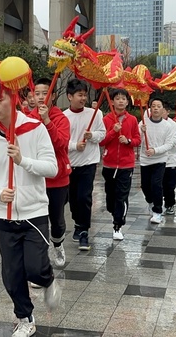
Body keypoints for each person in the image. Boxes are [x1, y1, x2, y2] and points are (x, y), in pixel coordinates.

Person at [0, 76, 61, 337]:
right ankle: (25, 317)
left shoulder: (34, 128)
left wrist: (23, 160)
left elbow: (52, 168)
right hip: (4, 215)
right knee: (11, 274)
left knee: (34, 267)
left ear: (14, 99)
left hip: (34, 212)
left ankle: (47, 280)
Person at [27, 77, 71, 267]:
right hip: (35, 178)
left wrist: (47, 121)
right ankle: (40, 258)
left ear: (53, 96)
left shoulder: (61, 118)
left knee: (57, 220)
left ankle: (58, 244)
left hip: (57, 178)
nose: (40, 97)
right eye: (37, 94)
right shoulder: (28, 118)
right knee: (38, 220)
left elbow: (61, 144)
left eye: (45, 93)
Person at [63, 79, 106, 251]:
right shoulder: (63, 117)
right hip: (70, 163)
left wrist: (92, 136)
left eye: (84, 95)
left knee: (84, 197)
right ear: (69, 96)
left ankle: (84, 232)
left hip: (89, 162)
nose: (83, 98)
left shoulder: (95, 114)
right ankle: (78, 223)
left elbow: (102, 134)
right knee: (73, 199)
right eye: (79, 95)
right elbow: (59, 141)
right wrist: (74, 146)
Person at [100, 87, 141, 241]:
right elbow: (101, 141)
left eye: (123, 98)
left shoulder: (132, 120)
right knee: (110, 198)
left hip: (126, 165)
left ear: (127, 101)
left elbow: (138, 140)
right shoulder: (106, 120)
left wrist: (128, 141)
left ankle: (118, 225)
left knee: (121, 196)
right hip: (109, 164)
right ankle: (114, 212)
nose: (121, 101)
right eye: (117, 98)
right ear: (112, 101)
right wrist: (113, 131)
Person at [139, 97, 176, 224]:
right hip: (145, 160)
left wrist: (155, 150)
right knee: (145, 186)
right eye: (153, 106)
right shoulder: (143, 123)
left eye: (158, 106)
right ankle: (150, 201)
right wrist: (141, 131)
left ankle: (158, 211)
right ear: (150, 108)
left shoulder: (168, 126)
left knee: (156, 185)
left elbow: (169, 144)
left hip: (160, 160)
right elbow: (137, 140)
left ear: (163, 110)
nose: (155, 108)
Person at [161, 102, 176, 216]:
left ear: (167, 111)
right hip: (156, 159)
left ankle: (169, 204)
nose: (158, 111)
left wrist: (161, 147)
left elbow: (175, 141)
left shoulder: (172, 125)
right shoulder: (151, 122)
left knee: (169, 184)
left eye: (162, 109)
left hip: (170, 159)